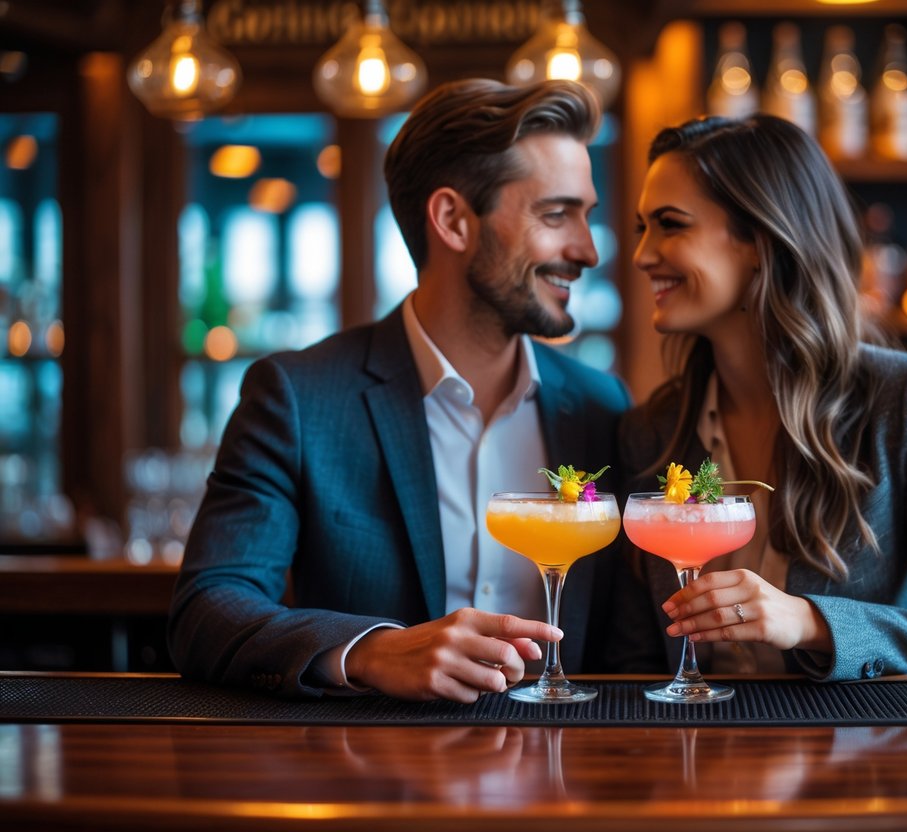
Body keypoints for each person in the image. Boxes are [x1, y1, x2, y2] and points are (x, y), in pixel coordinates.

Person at [168, 79, 630, 703]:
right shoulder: (298, 399)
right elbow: (206, 609)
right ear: (452, 220)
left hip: (569, 776)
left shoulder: (605, 409)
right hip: (371, 782)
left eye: (587, 214)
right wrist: (373, 651)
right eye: (556, 214)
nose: (588, 248)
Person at [610, 114, 907, 680]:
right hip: (689, 755)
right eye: (641, 228)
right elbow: (632, 660)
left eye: (670, 225)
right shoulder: (650, 429)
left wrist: (809, 622)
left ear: (759, 240)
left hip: (848, 757)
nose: (642, 255)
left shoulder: (901, 398)